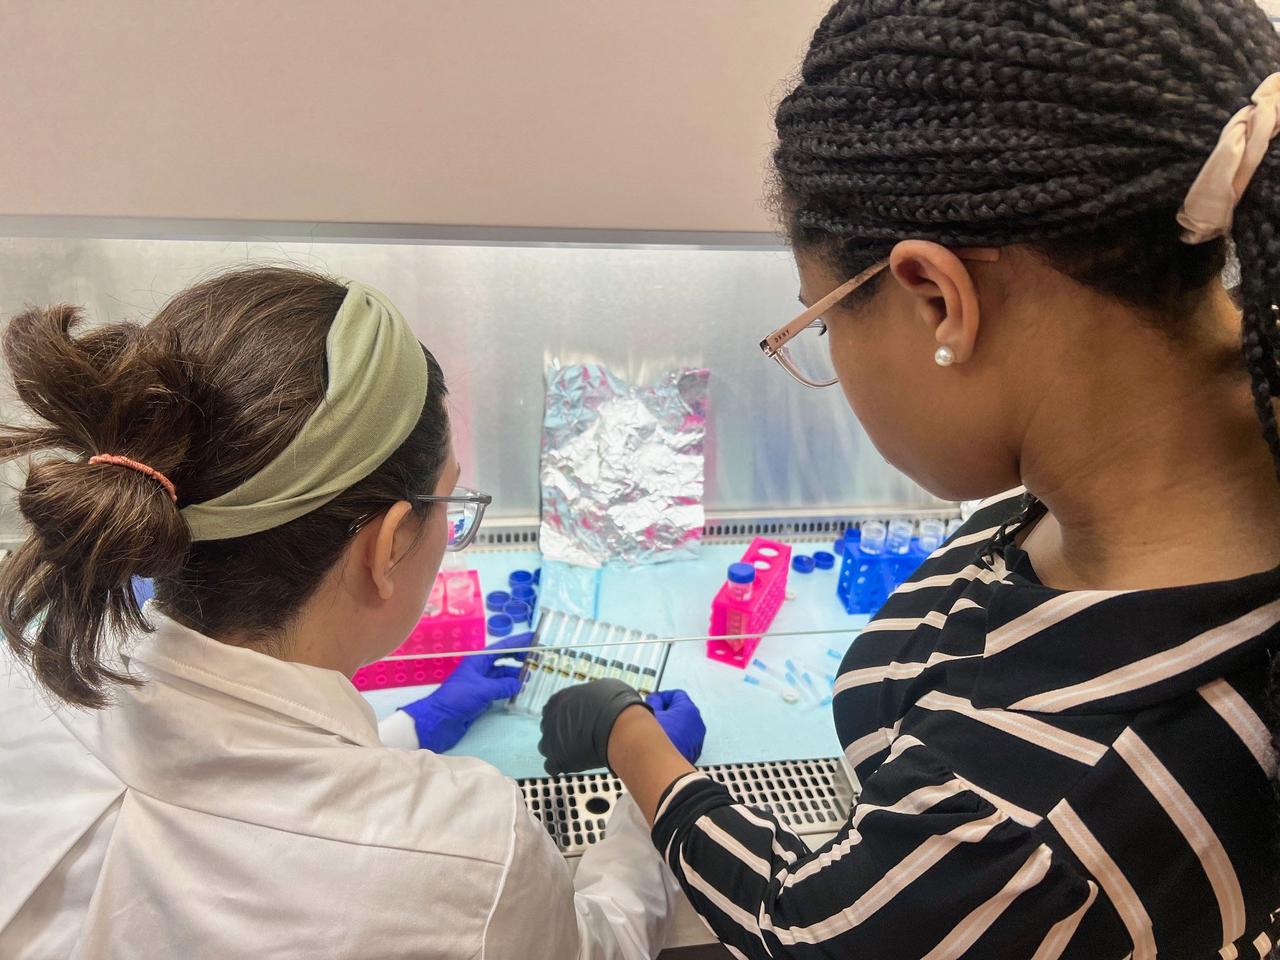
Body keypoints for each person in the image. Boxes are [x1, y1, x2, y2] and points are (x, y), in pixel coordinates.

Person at [539, 1, 1280, 956]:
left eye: (820, 322)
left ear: (937, 300)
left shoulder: (1025, 829)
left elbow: (805, 922)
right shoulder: (1124, 472)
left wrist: (629, 736)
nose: (827, 354)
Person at [0, 267, 699, 958]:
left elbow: (252, 779)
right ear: (387, 547)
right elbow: (601, 945)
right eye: (449, 504)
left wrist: (415, 725)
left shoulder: (27, 678)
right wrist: (654, 798)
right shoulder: (467, 855)